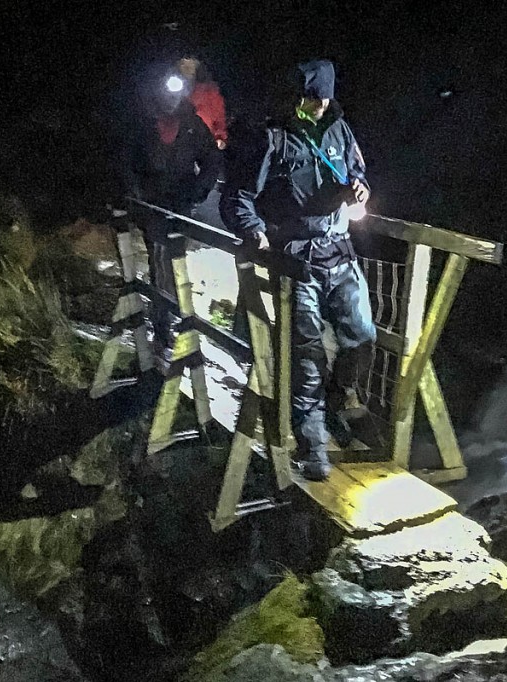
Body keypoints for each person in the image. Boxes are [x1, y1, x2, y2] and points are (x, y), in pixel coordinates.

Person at [220, 59, 375, 481]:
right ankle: (311, 444)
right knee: (306, 356)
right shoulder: (270, 138)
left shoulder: (340, 128)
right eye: (312, 98)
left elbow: (358, 171)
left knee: (362, 335)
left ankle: (340, 397)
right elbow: (237, 197)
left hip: (340, 252)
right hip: (297, 260)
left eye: (325, 98)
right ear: (297, 97)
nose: (321, 105)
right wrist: (253, 229)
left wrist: (360, 185)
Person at [127, 80, 221, 354]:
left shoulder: (193, 125)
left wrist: (198, 190)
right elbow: (128, 161)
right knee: (160, 261)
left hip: (181, 205)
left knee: (176, 261)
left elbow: (211, 160)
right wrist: (138, 194)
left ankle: (178, 319)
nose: (170, 101)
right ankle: (162, 327)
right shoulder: (144, 125)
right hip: (153, 206)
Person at [177, 56, 229, 150]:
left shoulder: (209, 90)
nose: (187, 67)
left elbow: (219, 116)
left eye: (191, 64)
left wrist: (220, 137)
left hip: (204, 139)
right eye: (183, 63)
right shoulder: (172, 89)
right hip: (180, 141)